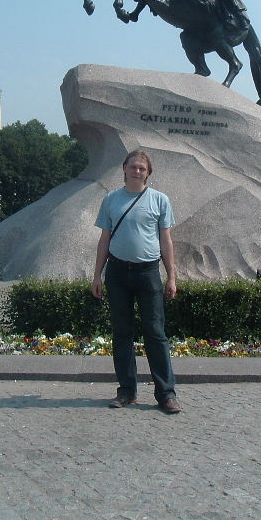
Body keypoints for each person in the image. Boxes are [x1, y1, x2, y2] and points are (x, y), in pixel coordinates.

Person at [91, 150, 180, 414]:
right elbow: (104, 240)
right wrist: (97, 275)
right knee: (122, 333)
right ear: (124, 168)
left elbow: (166, 241)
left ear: (148, 172)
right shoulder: (111, 199)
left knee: (156, 334)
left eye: (142, 168)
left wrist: (171, 276)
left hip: (148, 272)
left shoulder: (160, 200)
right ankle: (127, 391)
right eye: (133, 167)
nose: (137, 171)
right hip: (117, 272)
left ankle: (166, 394)